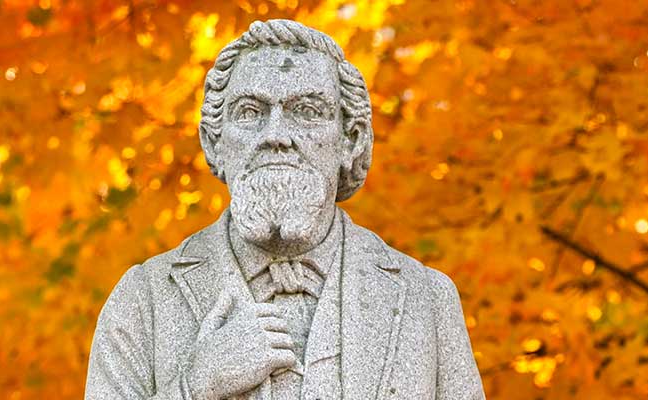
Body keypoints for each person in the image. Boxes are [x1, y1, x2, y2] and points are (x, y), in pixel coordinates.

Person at [85, 19, 484, 400]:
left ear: (351, 141)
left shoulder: (425, 299)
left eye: (307, 111)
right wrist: (198, 384)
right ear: (213, 143)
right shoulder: (144, 298)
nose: (276, 135)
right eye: (250, 113)